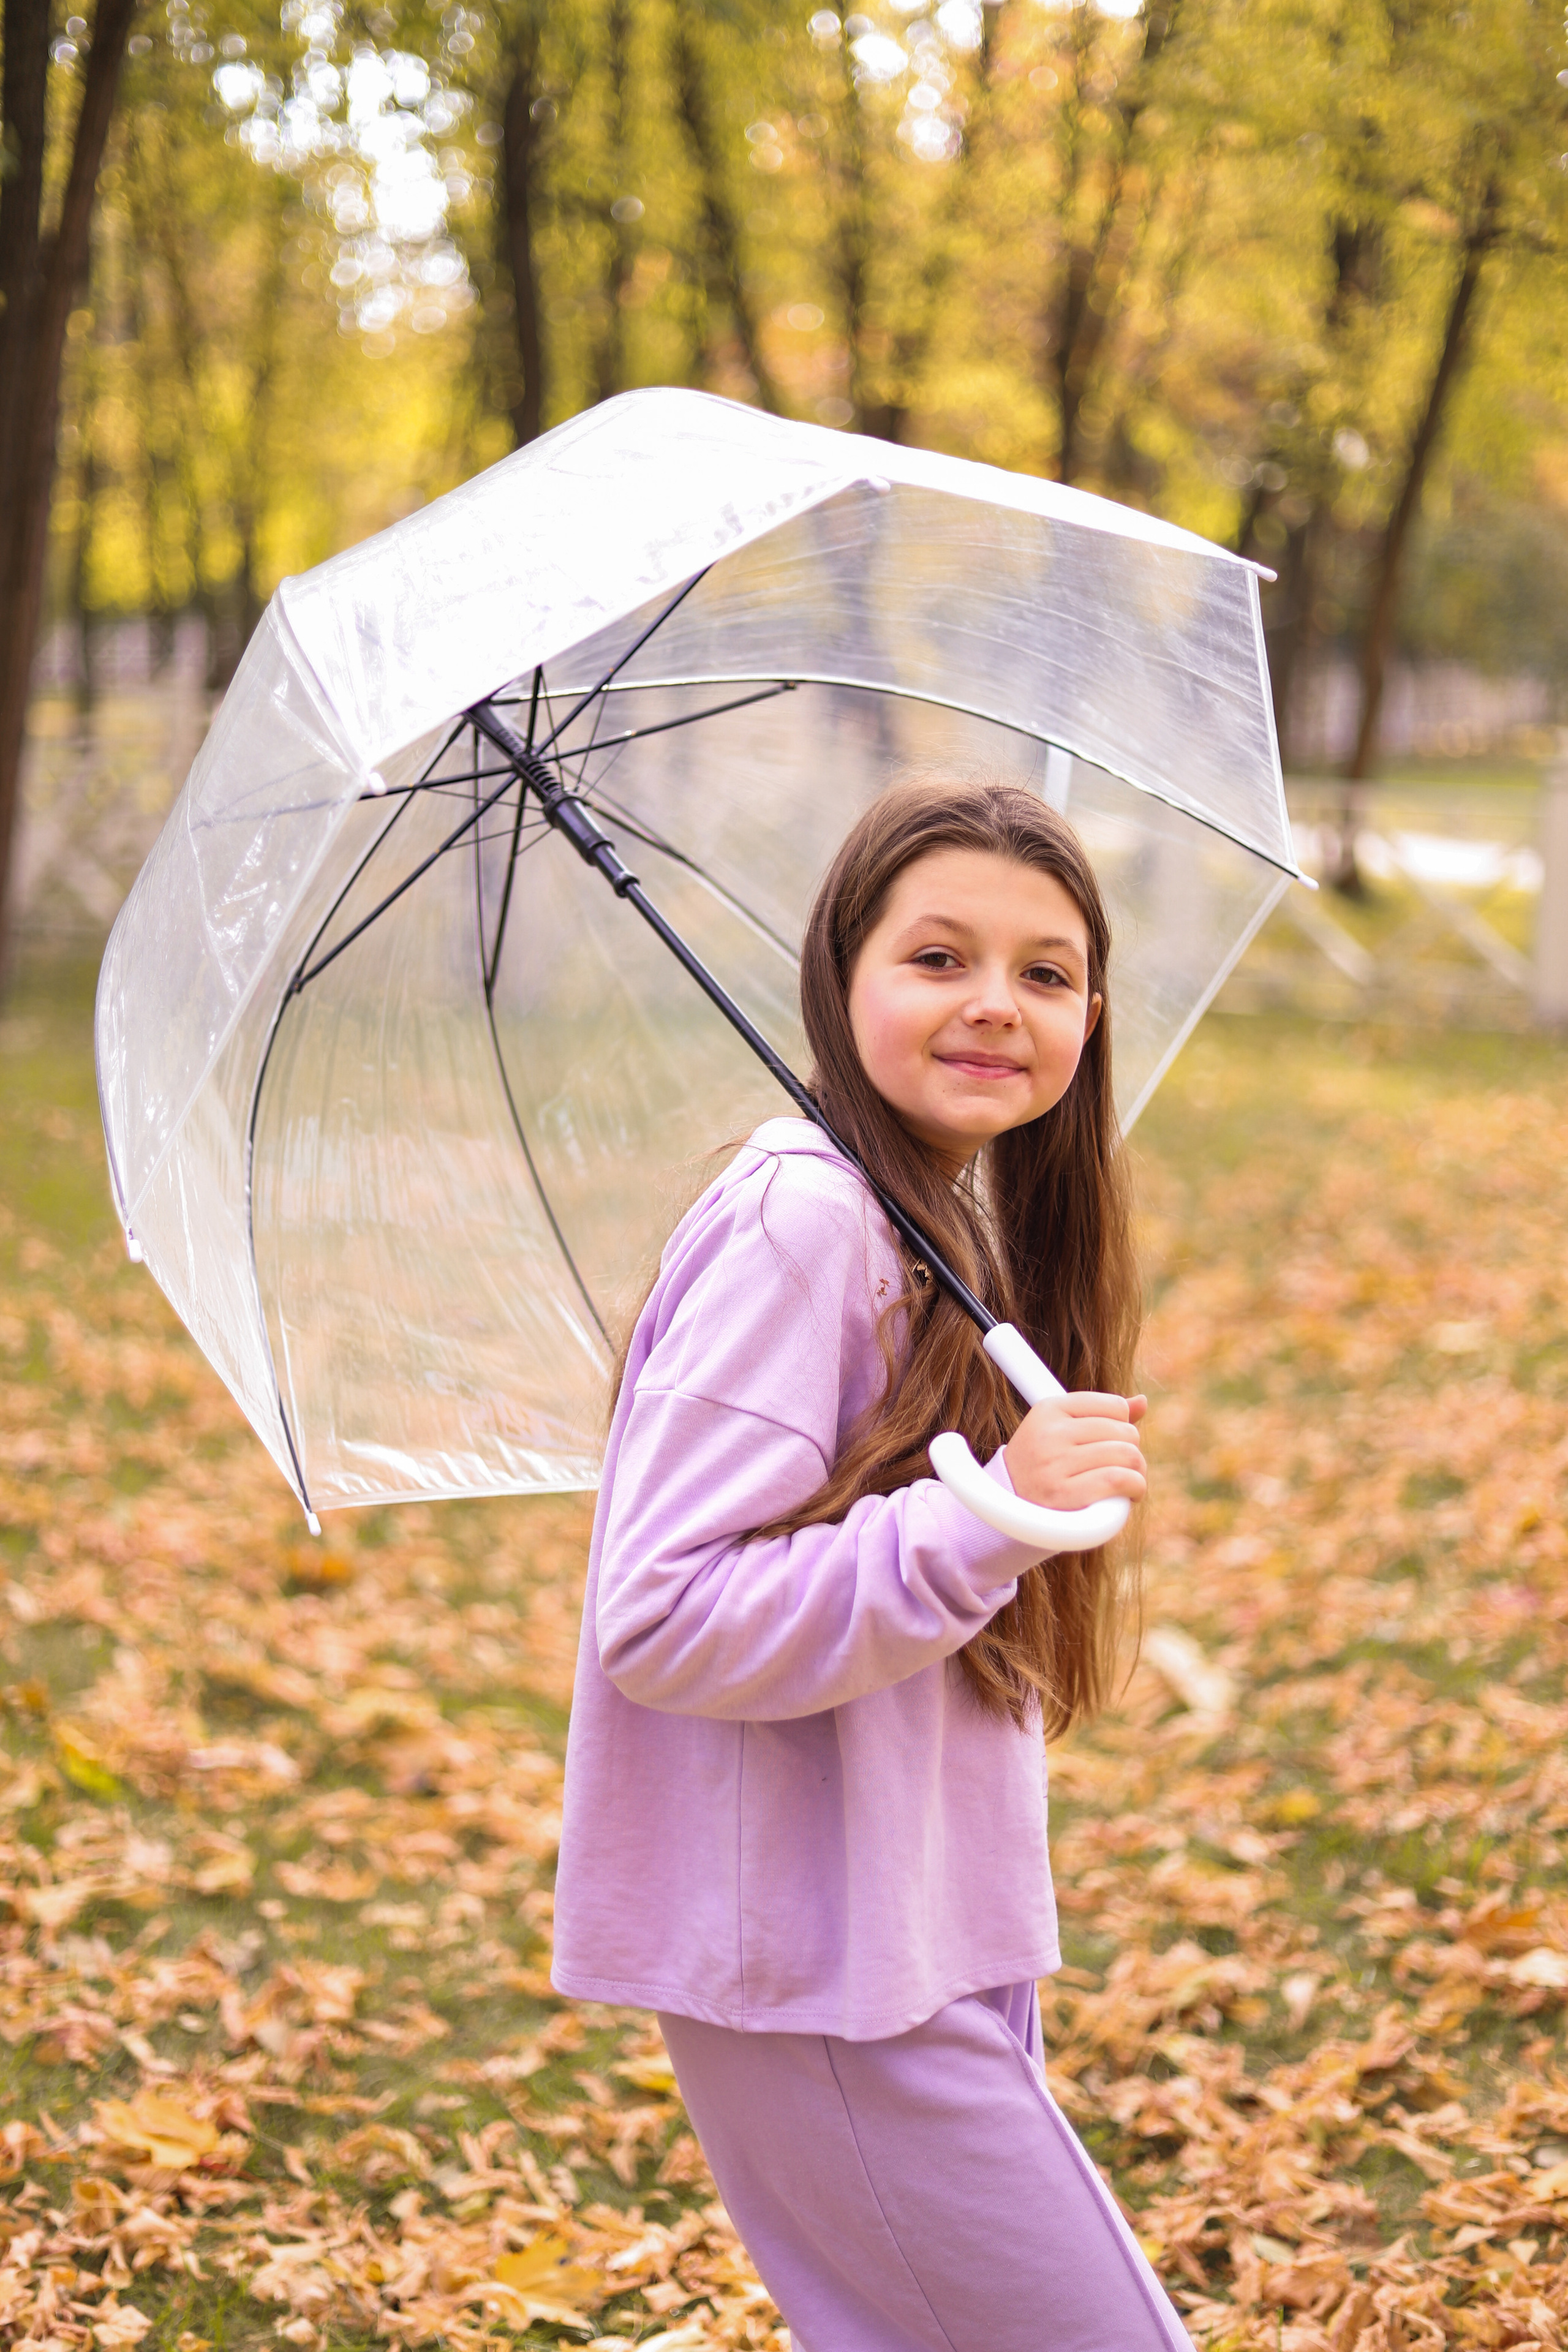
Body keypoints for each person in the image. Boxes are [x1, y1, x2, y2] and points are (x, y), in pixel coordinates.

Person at [552, 777, 1189, 2352]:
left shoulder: (939, 1231)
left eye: (1044, 973)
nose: (994, 1004)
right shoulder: (803, 1224)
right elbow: (663, 1616)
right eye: (937, 958)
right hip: (822, 1963)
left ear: (1093, 1015)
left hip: (903, 1932)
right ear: (840, 976)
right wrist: (986, 1519)